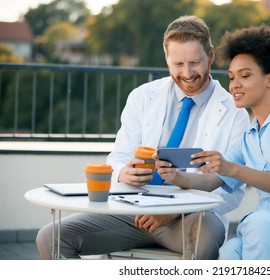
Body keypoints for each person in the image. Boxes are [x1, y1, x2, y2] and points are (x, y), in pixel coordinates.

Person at [35, 15, 250, 260]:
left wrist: (175, 211)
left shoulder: (235, 113)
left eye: (195, 63)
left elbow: (232, 189)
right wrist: (123, 173)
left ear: (210, 57)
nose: (187, 73)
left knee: (207, 237)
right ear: (167, 59)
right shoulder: (142, 96)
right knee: (50, 238)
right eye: (178, 64)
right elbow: (118, 156)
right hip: (132, 211)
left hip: (189, 219)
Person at [155, 25, 270, 260]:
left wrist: (230, 167)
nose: (234, 85)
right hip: (268, 232)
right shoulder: (247, 137)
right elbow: (208, 182)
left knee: (259, 223)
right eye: (232, 77)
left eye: (245, 76)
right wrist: (173, 175)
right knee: (229, 252)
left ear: (269, 79)